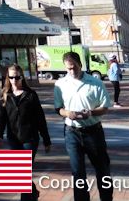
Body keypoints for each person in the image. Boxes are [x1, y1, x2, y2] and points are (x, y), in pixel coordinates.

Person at [54, 52, 113, 201]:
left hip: (93, 131)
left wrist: (91, 112)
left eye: (74, 67)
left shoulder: (95, 83)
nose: (72, 71)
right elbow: (58, 108)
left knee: (102, 169)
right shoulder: (60, 84)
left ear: (80, 64)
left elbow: (105, 107)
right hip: (72, 132)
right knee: (77, 172)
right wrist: (67, 113)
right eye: (68, 69)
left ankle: (106, 198)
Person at [0, 64, 51, 201]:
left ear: (22, 77)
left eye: (17, 77)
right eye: (11, 77)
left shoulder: (31, 95)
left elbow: (40, 118)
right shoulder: (4, 95)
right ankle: (32, 192)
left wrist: (46, 139)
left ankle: (27, 197)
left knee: (23, 173)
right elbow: (1, 118)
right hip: (13, 138)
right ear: (8, 77)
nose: (14, 80)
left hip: (30, 138)